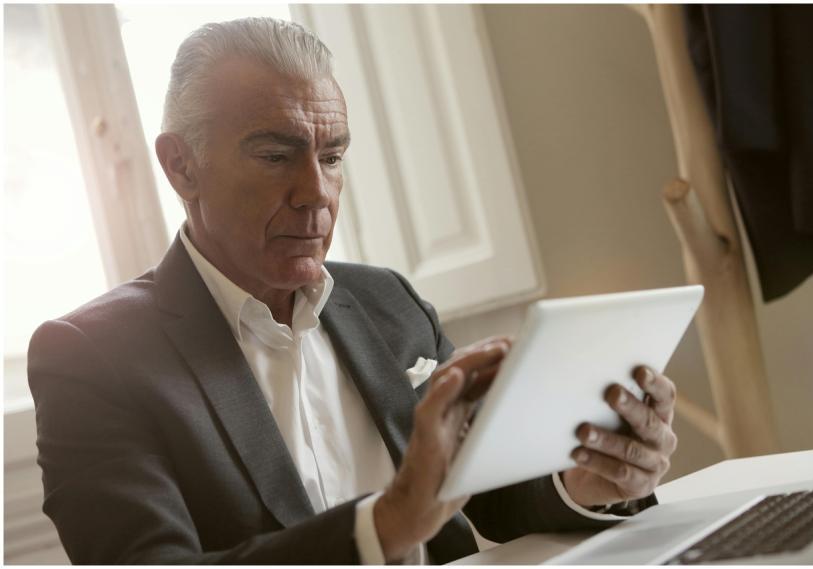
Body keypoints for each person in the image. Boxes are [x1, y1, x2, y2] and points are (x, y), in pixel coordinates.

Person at [27, 17, 678, 564]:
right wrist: (387, 524)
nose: (317, 193)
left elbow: (494, 496)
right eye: (276, 156)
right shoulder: (90, 357)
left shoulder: (388, 302)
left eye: (332, 157)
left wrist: (586, 481)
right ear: (181, 166)